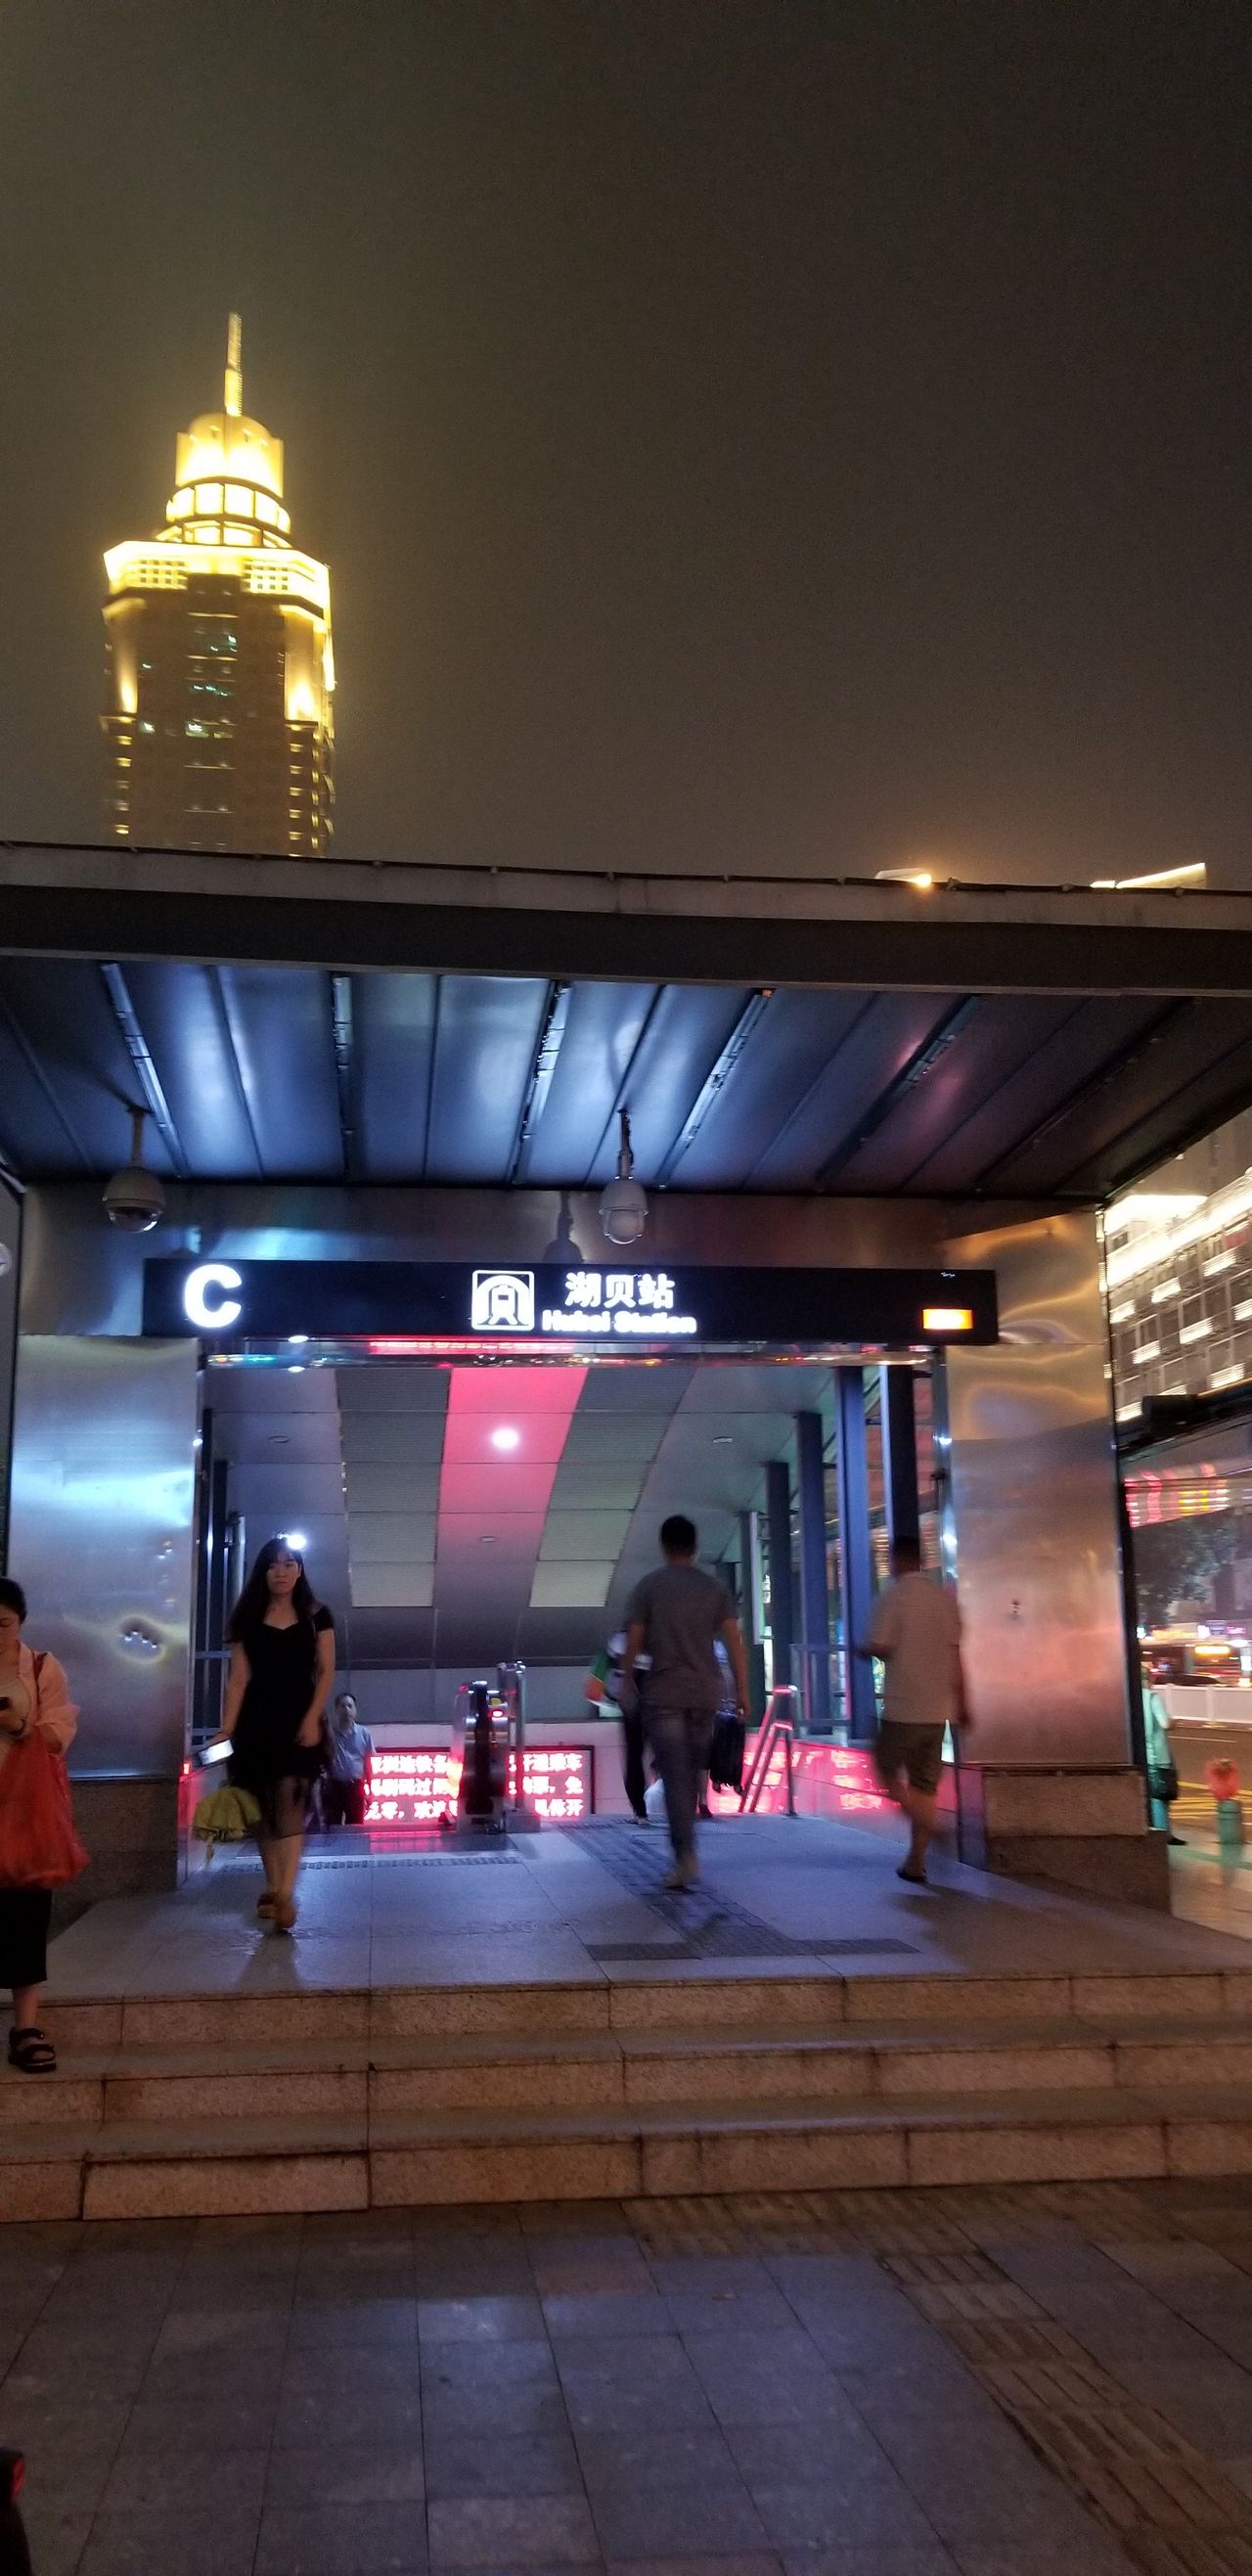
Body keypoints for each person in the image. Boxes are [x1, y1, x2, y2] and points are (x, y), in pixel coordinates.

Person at [211, 1539, 335, 1932]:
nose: (281, 1572)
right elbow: (238, 1679)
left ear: (300, 1570)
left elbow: (326, 1671)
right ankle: (273, 1886)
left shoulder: (317, 1614)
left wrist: (312, 1718)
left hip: (298, 1715)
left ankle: (284, 1894)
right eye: (273, 1565)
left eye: (289, 1564)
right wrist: (227, 1728)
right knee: (262, 1807)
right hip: (256, 1720)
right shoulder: (248, 1616)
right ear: (262, 1572)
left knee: (290, 1799)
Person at [623, 1516, 749, 1890]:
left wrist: (627, 1680)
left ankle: (685, 1856)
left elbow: (634, 1638)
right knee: (691, 1773)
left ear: (664, 1547)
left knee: (675, 1775)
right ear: (694, 1548)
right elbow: (734, 1641)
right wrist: (743, 1691)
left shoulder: (649, 1586)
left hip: (664, 1693)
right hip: (705, 1693)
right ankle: (686, 1850)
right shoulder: (714, 1589)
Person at [0, 1578, 78, 2073]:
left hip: (25, 1809)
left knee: (26, 1914)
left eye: (3, 1623)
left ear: (21, 1622)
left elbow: (59, 1735)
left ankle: (26, 2025)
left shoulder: (41, 1667)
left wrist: (19, 1726)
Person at [861, 1535, 970, 1885]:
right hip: (938, 1712)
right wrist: (964, 1703)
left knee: (883, 1768)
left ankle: (928, 1826)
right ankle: (915, 1863)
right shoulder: (944, 1600)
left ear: (896, 1560)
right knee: (925, 1785)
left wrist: (863, 1649)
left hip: (903, 1707)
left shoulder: (893, 1597)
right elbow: (956, 1658)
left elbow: (879, 1645)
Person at [583, 1632, 650, 1823]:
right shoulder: (662, 1638)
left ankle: (640, 1811)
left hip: (631, 1703)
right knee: (669, 1754)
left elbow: (593, 1690)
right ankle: (679, 1810)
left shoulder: (615, 1644)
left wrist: (614, 1702)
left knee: (634, 1755)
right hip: (662, 1701)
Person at [324, 1692, 374, 1830]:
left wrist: (370, 1791)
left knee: (356, 1828)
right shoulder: (329, 1734)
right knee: (333, 1827)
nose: (346, 1710)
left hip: (355, 1787)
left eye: (350, 1706)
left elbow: (367, 1764)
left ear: (355, 1710)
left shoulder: (364, 1734)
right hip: (335, 1787)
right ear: (336, 1710)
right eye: (343, 1706)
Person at [1143, 1676, 1185, 1845]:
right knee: (1160, 1795)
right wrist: (1174, 1723)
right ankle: (1164, 1834)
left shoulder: (1130, 1698)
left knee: (1149, 1794)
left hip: (1142, 1755)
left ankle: (1153, 1829)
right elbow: (1165, 1723)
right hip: (1158, 1755)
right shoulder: (1152, 1697)